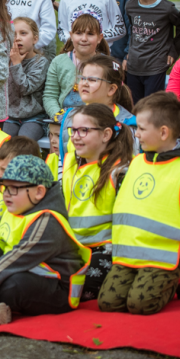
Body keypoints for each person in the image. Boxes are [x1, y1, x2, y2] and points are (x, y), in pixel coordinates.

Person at [98, 92, 180, 315]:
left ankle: (179, 279)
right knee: (108, 304)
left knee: (140, 306)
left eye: (142, 129)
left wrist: (175, 226)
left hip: (163, 257)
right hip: (128, 255)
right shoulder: (136, 163)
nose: (137, 134)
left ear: (164, 132)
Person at [0, 155, 90, 325]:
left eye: (14, 188)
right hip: (17, 271)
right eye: (4, 187)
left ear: (39, 192)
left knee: (14, 285)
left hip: (55, 289)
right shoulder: (14, 209)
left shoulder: (49, 220)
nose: (6, 194)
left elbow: (17, 258)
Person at [63, 104, 133, 300]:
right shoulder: (69, 163)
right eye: (73, 130)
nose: (75, 136)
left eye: (84, 130)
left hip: (106, 250)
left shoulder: (121, 171)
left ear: (106, 134)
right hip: (73, 247)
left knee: (80, 289)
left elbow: (128, 223)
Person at [124, 0, 180, 103]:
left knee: (152, 107)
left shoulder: (167, 8)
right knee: (135, 107)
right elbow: (132, 32)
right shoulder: (130, 6)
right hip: (133, 66)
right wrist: (127, 55)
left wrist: (173, 51)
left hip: (155, 67)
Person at [43, 14, 110, 116]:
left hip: (96, 118)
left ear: (99, 38)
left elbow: (111, 98)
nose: (84, 38)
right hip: (63, 118)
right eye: (78, 33)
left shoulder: (107, 64)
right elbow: (50, 96)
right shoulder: (58, 62)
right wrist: (58, 116)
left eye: (90, 34)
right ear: (71, 35)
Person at [4, 17, 49, 140]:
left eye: (23, 33)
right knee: (4, 143)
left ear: (35, 39)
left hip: (34, 117)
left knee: (24, 142)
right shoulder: (6, 60)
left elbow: (25, 88)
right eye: (13, 34)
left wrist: (17, 64)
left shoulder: (41, 62)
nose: (17, 38)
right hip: (11, 116)